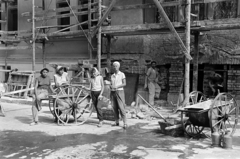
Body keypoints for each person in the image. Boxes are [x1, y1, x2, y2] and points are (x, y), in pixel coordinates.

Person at [110, 61, 127, 129]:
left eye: (116, 66)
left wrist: (117, 86)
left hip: (120, 92)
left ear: (119, 67)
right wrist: (110, 86)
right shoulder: (112, 76)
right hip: (113, 92)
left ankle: (125, 123)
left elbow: (124, 83)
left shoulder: (122, 74)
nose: (115, 67)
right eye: (114, 66)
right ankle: (116, 121)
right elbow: (111, 84)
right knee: (114, 107)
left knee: (121, 107)